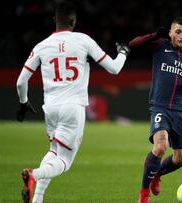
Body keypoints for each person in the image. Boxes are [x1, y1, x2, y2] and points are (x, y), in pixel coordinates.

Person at [16, 1, 130, 203]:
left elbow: (20, 81)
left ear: (54, 20)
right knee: (64, 162)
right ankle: (34, 175)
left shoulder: (41, 46)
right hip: (73, 107)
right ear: (73, 21)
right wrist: (123, 53)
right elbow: (114, 69)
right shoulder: (83, 40)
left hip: (50, 108)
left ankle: (37, 199)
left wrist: (24, 103)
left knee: (53, 151)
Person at [128, 16, 182, 203]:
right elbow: (133, 44)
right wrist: (155, 34)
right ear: (171, 33)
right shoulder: (160, 46)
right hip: (161, 107)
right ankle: (143, 195)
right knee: (160, 147)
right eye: (178, 32)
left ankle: (156, 174)